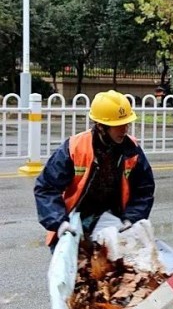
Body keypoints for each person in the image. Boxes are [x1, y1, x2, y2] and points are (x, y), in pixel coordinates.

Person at [35, 90, 155, 250]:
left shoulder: (131, 150)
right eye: (118, 125)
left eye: (126, 123)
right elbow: (46, 188)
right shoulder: (74, 148)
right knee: (70, 273)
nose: (124, 129)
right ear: (101, 126)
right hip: (72, 228)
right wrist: (59, 222)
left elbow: (143, 190)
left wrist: (131, 218)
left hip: (113, 229)